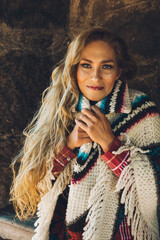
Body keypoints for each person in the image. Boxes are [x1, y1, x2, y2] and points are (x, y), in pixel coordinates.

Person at [10, 27, 160, 240]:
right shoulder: (63, 108)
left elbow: (155, 186)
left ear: (118, 71)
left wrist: (109, 143)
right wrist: (69, 145)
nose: (95, 76)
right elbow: (37, 182)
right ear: (74, 70)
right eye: (86, 65)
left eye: (106, 67)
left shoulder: (141, 111)